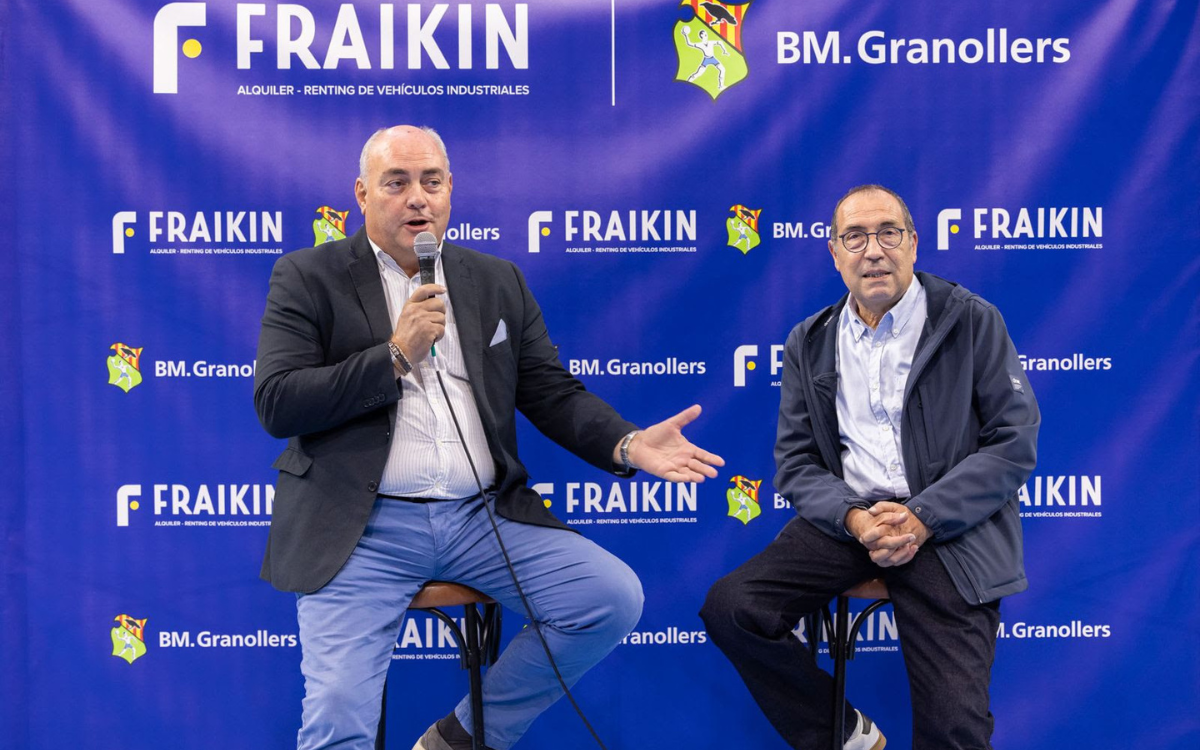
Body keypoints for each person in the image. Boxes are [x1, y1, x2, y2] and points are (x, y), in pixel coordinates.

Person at [254, 125, 725, 750]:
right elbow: (278, 402)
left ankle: (462, 738)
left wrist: (627, 444)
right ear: (362, 197)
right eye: (397, 183)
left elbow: (552, 393)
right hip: (361, 529)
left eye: (432, 182)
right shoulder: (308, 277)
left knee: (609, 599)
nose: (418, 198)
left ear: (451, 191)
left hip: (483, 518)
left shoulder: (496, 279)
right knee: (338, 713)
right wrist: (395, 355)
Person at [700, 185, 1039, 750]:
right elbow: (796, 461)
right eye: (855, 237)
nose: (873, 250)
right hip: (848, 523)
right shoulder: (809, 341)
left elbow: (1013, 442)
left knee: (955, 729)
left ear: (913, 243)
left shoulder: (972, 321)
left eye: (888, 233)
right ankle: (847, 737)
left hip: (947, 528)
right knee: (734, 608)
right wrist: (856, 518)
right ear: (835, 254)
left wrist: (922, 517)